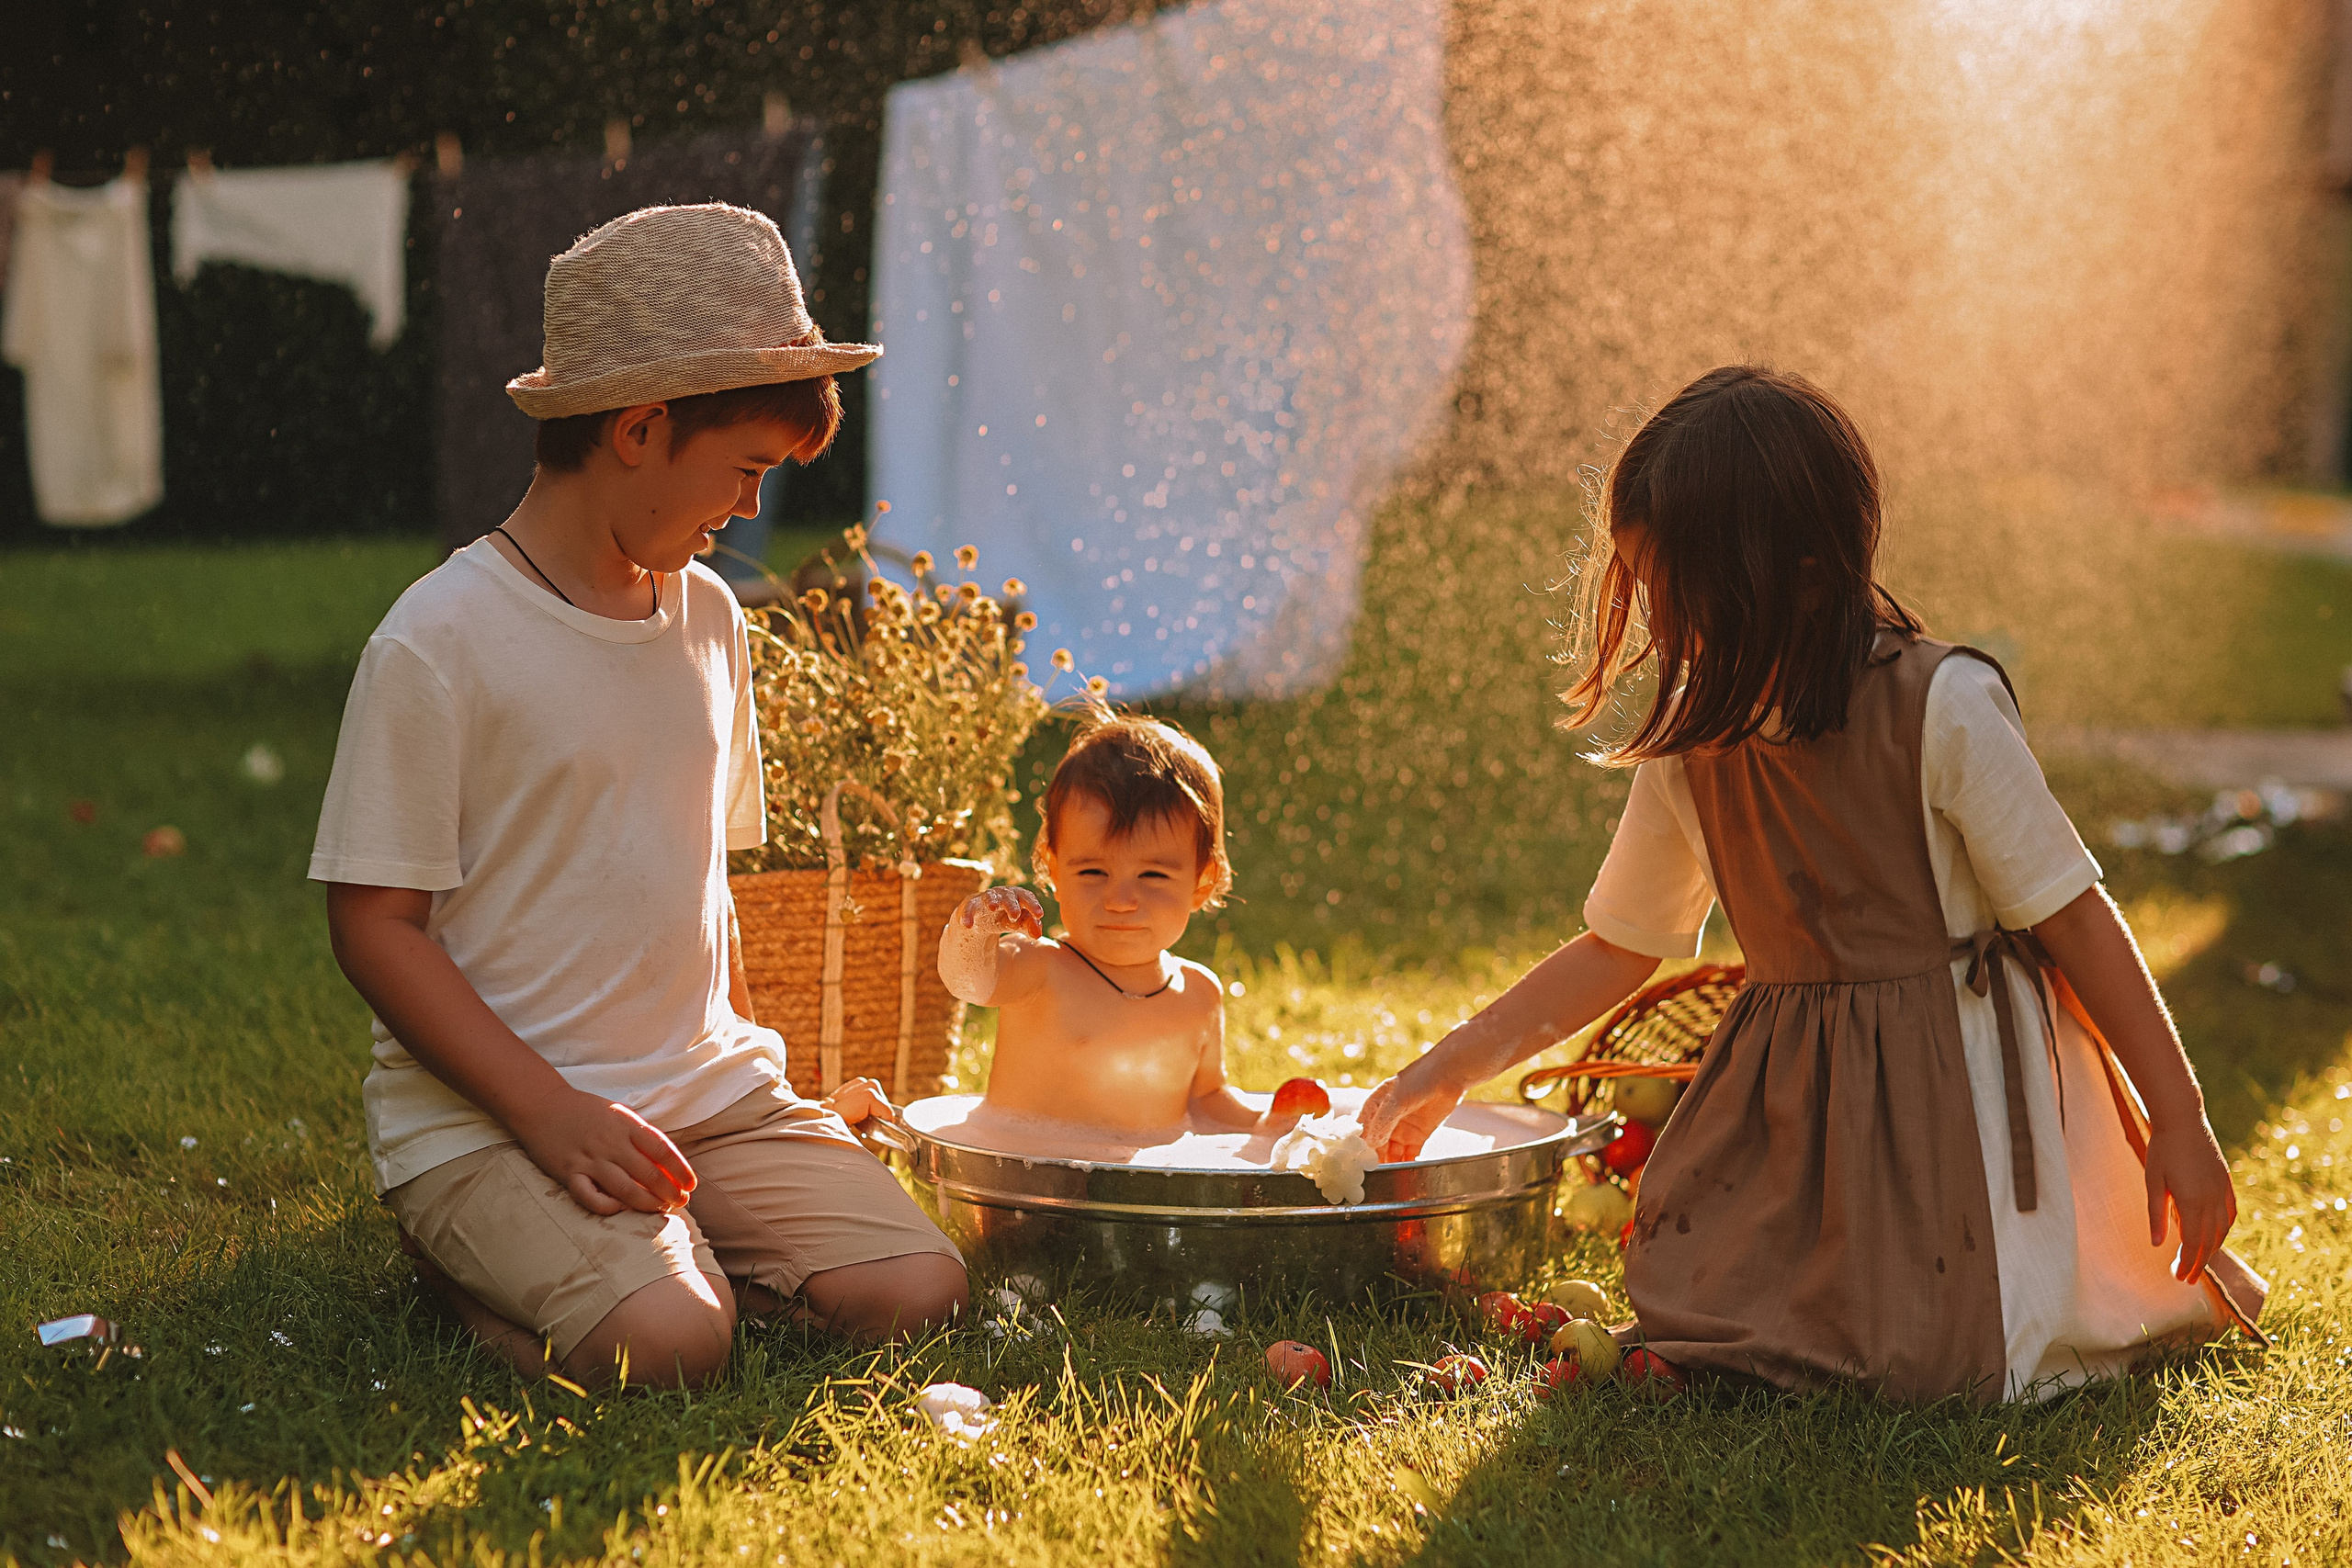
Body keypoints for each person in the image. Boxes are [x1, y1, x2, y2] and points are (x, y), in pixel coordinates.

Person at [1360, 365, 2263, 1404]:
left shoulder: (1945, 707)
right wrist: (1449, 1066)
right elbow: (1621, 942)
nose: (1660, 619)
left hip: (1958, 1094)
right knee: (1704, 1319)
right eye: (1645, 586)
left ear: (1800, 574)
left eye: (1681, 591)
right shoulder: (1696, 741)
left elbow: (2077, 921)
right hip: (1789, 1105)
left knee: (1935, 1359)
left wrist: (2181, 1121)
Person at [311, 203, 967, 1391]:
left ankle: (671, 1259)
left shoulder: (709, 617)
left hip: (709, 1095)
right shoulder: (441, 640)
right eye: (748, 468)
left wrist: (771, 1088)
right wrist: (549, 1110)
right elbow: (373, 924)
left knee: (920, 1287)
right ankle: (479, 1252)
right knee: (670, 1345)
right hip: (494, 1115)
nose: (754, 510)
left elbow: (701, 883)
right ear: (641, 426)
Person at [937, 715, 1268, 1135]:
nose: (1120, 901)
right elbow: (966, 980)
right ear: (1053, 870)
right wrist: (977, 926)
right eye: (1093, 872)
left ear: (1202, 882)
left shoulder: (1199, 994)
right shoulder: (1041, 970)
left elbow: (1206, 1101)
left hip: (1144, 1194)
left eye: (1152, 876)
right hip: (1032, 1185)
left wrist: (1269, 1126)